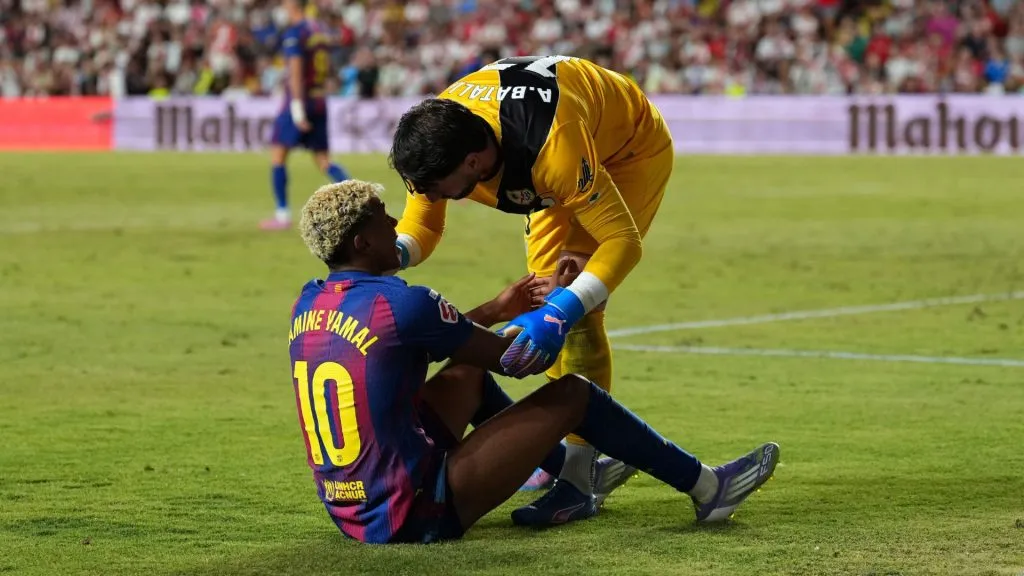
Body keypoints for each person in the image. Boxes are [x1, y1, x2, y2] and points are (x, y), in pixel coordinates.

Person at [288, 179, 780, 544]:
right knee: (573, 395)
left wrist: (500, 310)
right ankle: (709, 487)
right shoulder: (403, 303)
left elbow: (420, 339)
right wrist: (558, 305)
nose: (396, 224)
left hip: (350, 504)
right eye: (383, 217)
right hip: (411, 510)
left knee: (466, 375)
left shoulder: (309, 302)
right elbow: (517, 360)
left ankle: (572, 470)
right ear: (363, 242)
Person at [388, 55, 675, 524]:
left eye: (439, 188)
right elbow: (420, 227)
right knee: (546, 298)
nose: (431, 196)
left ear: (475, 162)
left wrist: (564, 309)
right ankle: (566, 451)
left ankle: (580, 480)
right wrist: (385, 257)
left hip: (625, 150)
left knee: (580, 310)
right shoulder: (439, 134)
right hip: (554, 158)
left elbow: (622, 242)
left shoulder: (550, 148)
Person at [262, 0, 351, 230]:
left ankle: (282, 215)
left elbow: (295, 74)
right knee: (324, 161)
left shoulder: (296, 33)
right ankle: (358, 200)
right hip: (320, 99)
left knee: (278, 156)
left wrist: (297, 110)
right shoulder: (319, 32)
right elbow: (329, 67)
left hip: (301, 99)